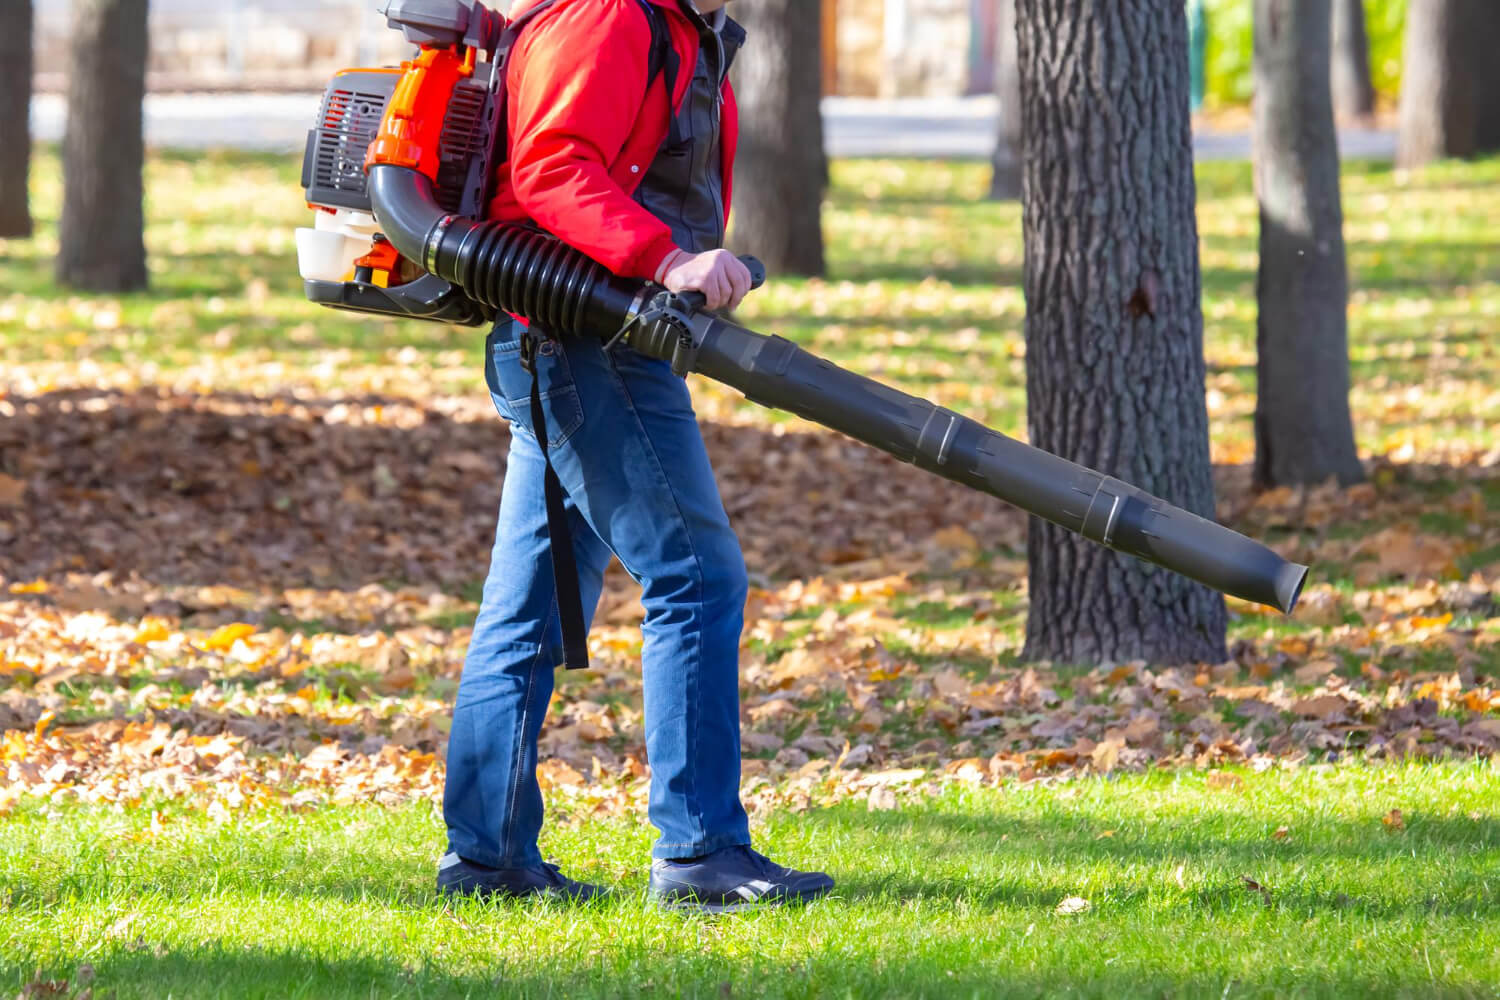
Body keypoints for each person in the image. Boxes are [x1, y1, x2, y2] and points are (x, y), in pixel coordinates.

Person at [435, 0, 834, 912]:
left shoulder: (683, 29)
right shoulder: (613, 17)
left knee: (532, 608)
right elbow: (552, 168)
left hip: (575, 342)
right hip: (588, 345)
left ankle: (488, 861)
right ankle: (700, 853)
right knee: (696, 576)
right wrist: (666, 259)